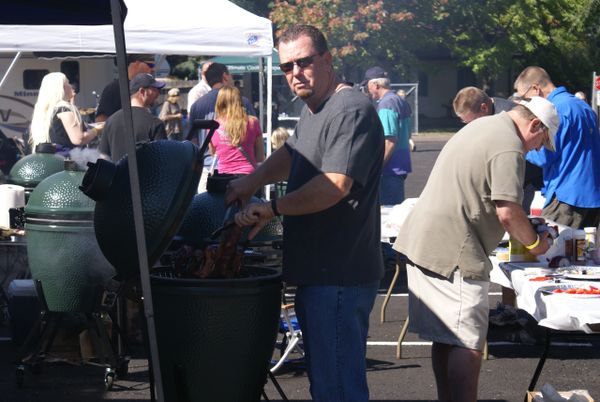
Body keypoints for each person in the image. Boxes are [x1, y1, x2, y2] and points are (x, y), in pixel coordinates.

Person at [226, 24, 384, 402]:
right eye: (286, 67)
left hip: (340, 275)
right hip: (320, 274)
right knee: (327, 384)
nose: (295, 73)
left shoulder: (349, 109)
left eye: (303, 62)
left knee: (338, 390)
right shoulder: (316, 108)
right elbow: (292, 154)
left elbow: (335, 184)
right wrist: (250, 182)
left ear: (327, 60)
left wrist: (272, 208)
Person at [394, 96, 557, 402]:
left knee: (445, 336)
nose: (536, 149)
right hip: (453, 249)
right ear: (534, 124)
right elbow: (507, 210)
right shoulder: (509, 144)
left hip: (426, 242)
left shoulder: (484, 125)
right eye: (541, 140)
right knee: (467, 342)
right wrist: (537, 245)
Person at [514, 66, 600, 229]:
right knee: (583, 252)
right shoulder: (582, 106)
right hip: (592, 195)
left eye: (525, 98)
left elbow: (544, 156)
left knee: (550, 249)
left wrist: (519, 147)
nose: (526, 103)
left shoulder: (554, 110)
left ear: (535, 89)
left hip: (567, 196)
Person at [452, 86, 543, 212]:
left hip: (520, 180)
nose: (470, 126)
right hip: (494, 181)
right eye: (465, 122)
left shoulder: (513, 115)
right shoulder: (487, 115)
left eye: (471, 121)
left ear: (484, 107)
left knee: (516, 221)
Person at [188, 62, 256, 192]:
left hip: (208, 170)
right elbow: (253, 135)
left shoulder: (196, 106)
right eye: (230, 75)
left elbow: (193, 141)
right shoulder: (243, 102)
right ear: (225, 76)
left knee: (208, 210)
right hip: (241, 171)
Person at [362, 66, 411, 205]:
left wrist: (377, 167)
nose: (367, 90)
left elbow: (389, 140)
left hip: (389, 169)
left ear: (375, 84)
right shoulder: (400, 101)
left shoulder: (386, 104)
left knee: (387, 215)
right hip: (399, 166)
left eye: (367, 86)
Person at [98, 73, 167, 162]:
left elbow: (103, 158)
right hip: (146, 176)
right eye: (154, 89)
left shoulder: (110, 121)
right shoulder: (155, 123)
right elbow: (163, 160)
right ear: (142, 92)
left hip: (118, 175)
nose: (158, 93)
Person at [30, 72, 102, 155]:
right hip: (67, 161)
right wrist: (98, 130)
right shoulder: (64, 109)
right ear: (61, 88)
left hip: (51, 159)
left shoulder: (46, 111)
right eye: (68, 83)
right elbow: (78, 139)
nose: (71, 86)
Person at [209, 86, 265, 174]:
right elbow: (260, 157)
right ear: (239, 101)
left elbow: (214, 155)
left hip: (224, 177)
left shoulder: (212, 126)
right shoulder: (252, 122)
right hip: (248, 177)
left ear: (219, 102)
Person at [95, 54, 155, 122]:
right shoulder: (114, 88)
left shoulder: (146, 85)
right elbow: (101, 119)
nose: (153, 69)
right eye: (151, 65)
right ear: (137, 63)